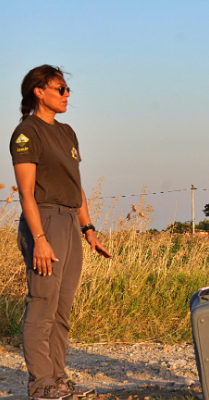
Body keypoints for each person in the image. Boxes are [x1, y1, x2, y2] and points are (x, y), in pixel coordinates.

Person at [9, 65, 113, 400]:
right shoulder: (27, 133)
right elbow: (26, 193)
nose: (67, 95)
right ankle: (41, 385)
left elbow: (76, 185)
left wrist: (89, 228)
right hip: (46, 220)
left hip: (70, 221)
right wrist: (39, 239)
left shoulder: (67, 132)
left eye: (67, 89)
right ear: (39, 91)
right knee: (42, 303)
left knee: (61, 307)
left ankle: (58, 380)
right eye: (61, 89)